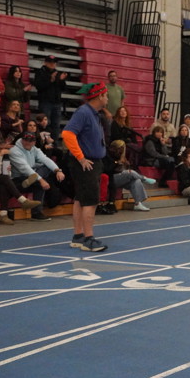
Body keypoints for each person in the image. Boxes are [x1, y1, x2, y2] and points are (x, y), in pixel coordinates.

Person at [61, 82, 109, 252]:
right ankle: (89, 239)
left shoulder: (94, 114)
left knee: (80, 198)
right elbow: (67, 134)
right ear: (99, 96)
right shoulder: (84, 112)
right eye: (106, 95)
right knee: (90, 200)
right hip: (87, 163)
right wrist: (81, 158)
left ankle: (78, 236)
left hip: (92, 161)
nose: (107, 98)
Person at [8, 131, 63, 221]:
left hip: (31, 176)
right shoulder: (14, 151)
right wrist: (41, 180)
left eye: (31, 141)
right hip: (18, 179)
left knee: (47, 167)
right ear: (22, 139)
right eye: (26, 140)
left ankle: (34, 180)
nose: (28, 143)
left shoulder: (35, 149)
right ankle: (36, 213)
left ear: (34, 142)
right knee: (40, 183)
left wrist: (58, 170)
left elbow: (45, 159)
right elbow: (24, 168)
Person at [103, 139, 155, 211]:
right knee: (131, 173)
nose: (122, 150)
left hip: (120, 177)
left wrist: (125, 167)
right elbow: (107, 169)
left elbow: (124, 168)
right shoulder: (107, 154)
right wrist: (117, 163)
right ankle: (144, 178)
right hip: (111, 177)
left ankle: (138, 204)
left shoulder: (122, 156)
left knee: (136, 180)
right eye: (121, 148)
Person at [32, 55, 67, 142]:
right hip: (45, 102)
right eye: (50, 62)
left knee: (56, 125)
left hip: (57, 103)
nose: (52, 64)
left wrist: (61, 80)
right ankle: (44, 144)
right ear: (45, 63)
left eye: (54, 62)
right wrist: (50, 80)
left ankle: (54, 144)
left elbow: (64, 88)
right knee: (44, 124)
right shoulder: (40, 72)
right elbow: (38, 86)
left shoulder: (58, 73)